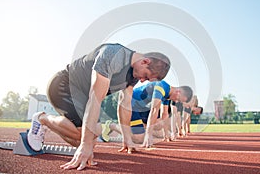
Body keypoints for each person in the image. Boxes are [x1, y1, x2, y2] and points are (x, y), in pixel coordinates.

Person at [27, 43, 170, 171]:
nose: (143, 80)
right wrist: (85, 144)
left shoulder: (134, 75)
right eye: (146, 75)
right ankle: (42, 119)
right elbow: (95, 99)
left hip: (83, 97)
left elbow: (125, 104)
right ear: (145, 61)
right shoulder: (113, 55)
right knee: (83, 137)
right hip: (63, 87)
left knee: (92, 137)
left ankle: (60, 126)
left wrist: (127, 138)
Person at [101, 80, 193, 148]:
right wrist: (148, 135)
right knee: (139, 139)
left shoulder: (167, 95)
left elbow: (164, 114)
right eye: (178, 99)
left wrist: (166, 135)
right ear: (178, 92)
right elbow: (154, 110)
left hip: (142, 109)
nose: (176, 101)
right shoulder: (161, 87)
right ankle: (112, 126)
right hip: (131, 104)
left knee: (160, 124)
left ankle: (139, 129)